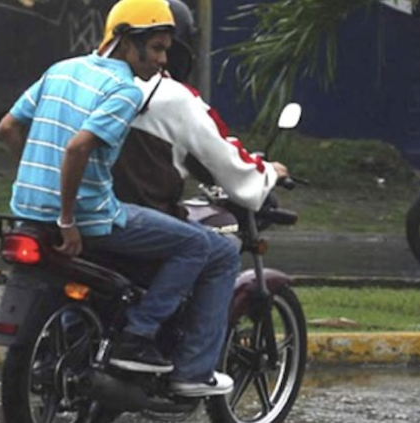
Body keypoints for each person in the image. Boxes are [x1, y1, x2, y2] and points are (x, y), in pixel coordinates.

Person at [0, 0, 233, 397]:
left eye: (165, 50)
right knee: (201, 245)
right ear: (124, 41)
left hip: (27, 213)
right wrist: (68, 219)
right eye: (155, 48)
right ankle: (139, 337)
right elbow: (77, 149)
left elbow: (7, 127)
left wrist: (44, 179)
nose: (161, 60)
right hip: (90, 217)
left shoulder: (62, 68)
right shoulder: (124, 89)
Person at [109, 0, 289, 396]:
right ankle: (191, 369)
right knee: (218, 253)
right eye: (158, 47)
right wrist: (266, 175)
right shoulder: (173, 96)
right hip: (133, 217)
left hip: (72, 212)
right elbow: (225, 155)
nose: (162, 57)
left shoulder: (82, 79)